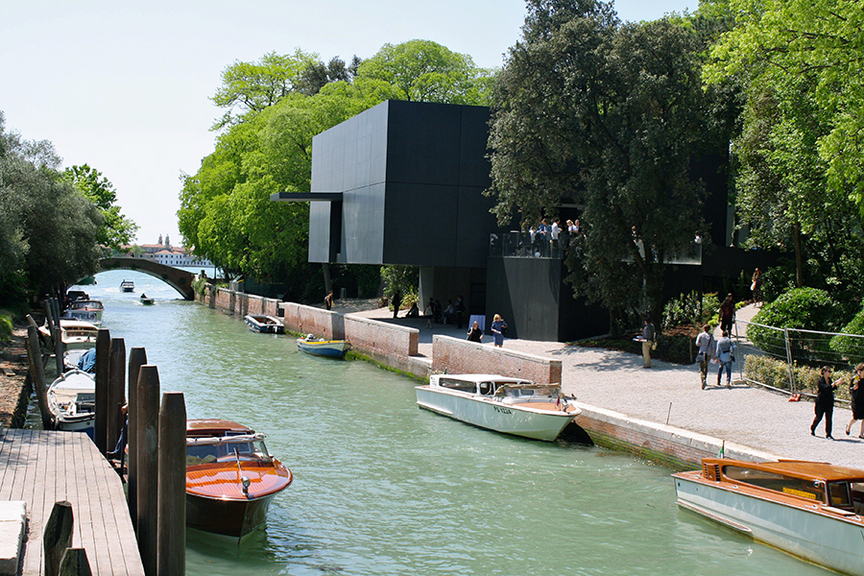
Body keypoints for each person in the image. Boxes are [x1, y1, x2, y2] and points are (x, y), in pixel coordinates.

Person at [811, 366, 842, 439]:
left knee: (829, 418)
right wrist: (832, 385)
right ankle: (813, 428)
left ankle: (828, 434)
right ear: (824, 372)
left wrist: (836, 384)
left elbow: (831, 389)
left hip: (829, 402)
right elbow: (825, 388)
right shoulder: (820, 380)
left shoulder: (830, 380)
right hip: (821, 402)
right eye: (829, 371)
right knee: (819, 417)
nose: (830, 373)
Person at [846, 364, 864, 437]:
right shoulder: (856, 378)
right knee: (855, 417)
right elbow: (850, 389)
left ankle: (861, 434)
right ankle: (848, 427)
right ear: (860, 371)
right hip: (856, 401)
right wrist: (854, 388)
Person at [695, 324, 715, 389]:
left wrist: (701, 345)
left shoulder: (700, 335)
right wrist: (714, 355)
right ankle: (705, 378)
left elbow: (697, 343)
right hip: (708, 353)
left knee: (701, 367)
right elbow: (713, 346)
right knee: (706, 366)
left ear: (704, 329)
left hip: (701, 352)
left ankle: (702, 378)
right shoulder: (711, 336)